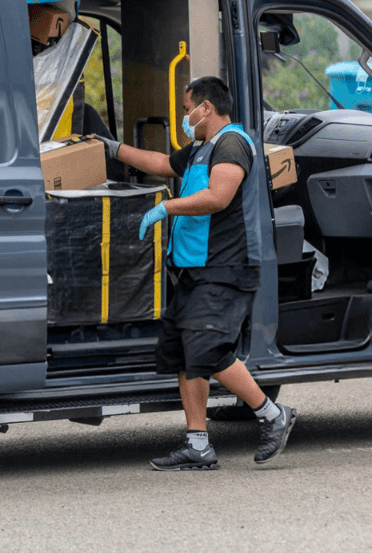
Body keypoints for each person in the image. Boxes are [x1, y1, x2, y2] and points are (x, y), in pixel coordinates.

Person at [92, 76, 296, 470]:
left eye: (187, 109)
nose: (185, 117)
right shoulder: (201, 147)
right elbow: (163, 164)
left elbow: (218, 197)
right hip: (192, 268)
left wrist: (166, 208)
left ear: (206, 108)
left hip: (227, 266)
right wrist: (113, 149)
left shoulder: (233, 143)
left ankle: (273, 415)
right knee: (186, 353)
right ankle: (198, 444)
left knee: (207, 348)